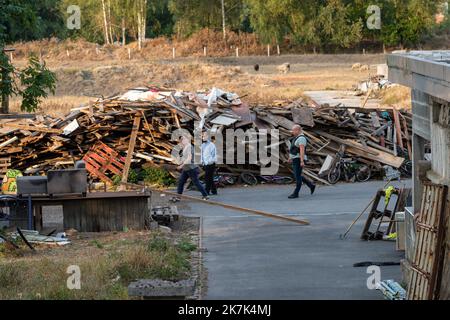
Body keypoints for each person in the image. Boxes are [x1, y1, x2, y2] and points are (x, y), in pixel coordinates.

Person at [287, 125, 316, 199]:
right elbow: (294, 149)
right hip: (295, 159)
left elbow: (302, 150)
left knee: (297, 177)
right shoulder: (297, 138)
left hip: (298, 159)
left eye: (293, 130)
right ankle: (311, 185)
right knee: (298, 175)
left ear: (298, 130)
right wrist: (290, 158)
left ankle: (296, 193)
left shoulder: (302, 138)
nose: (292, 132)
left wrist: (302, 161)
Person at [176, 136, 209, 200]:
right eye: (181, 140)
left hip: (191, 169)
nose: (181, 141)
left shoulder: (189, 147)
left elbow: (189, 158)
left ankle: (205, 195)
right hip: (186, 169)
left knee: (196, 182)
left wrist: (181, 166)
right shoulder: (185, 147)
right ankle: (178, 196)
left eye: (183, 139)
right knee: (181, 182)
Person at [201, 131, 218, 196]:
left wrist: (210, 162)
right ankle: (214, 191)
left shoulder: (212, 145)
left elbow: (214, 155)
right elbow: (202, 154)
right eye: (202, 136)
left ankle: (206, 192)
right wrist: (202, 162)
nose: (203, 137)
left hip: (210, 164)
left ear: (208, 137)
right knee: (210, 178)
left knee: (207, 178)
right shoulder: (202, 145)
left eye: (204, 136)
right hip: (205, 164)